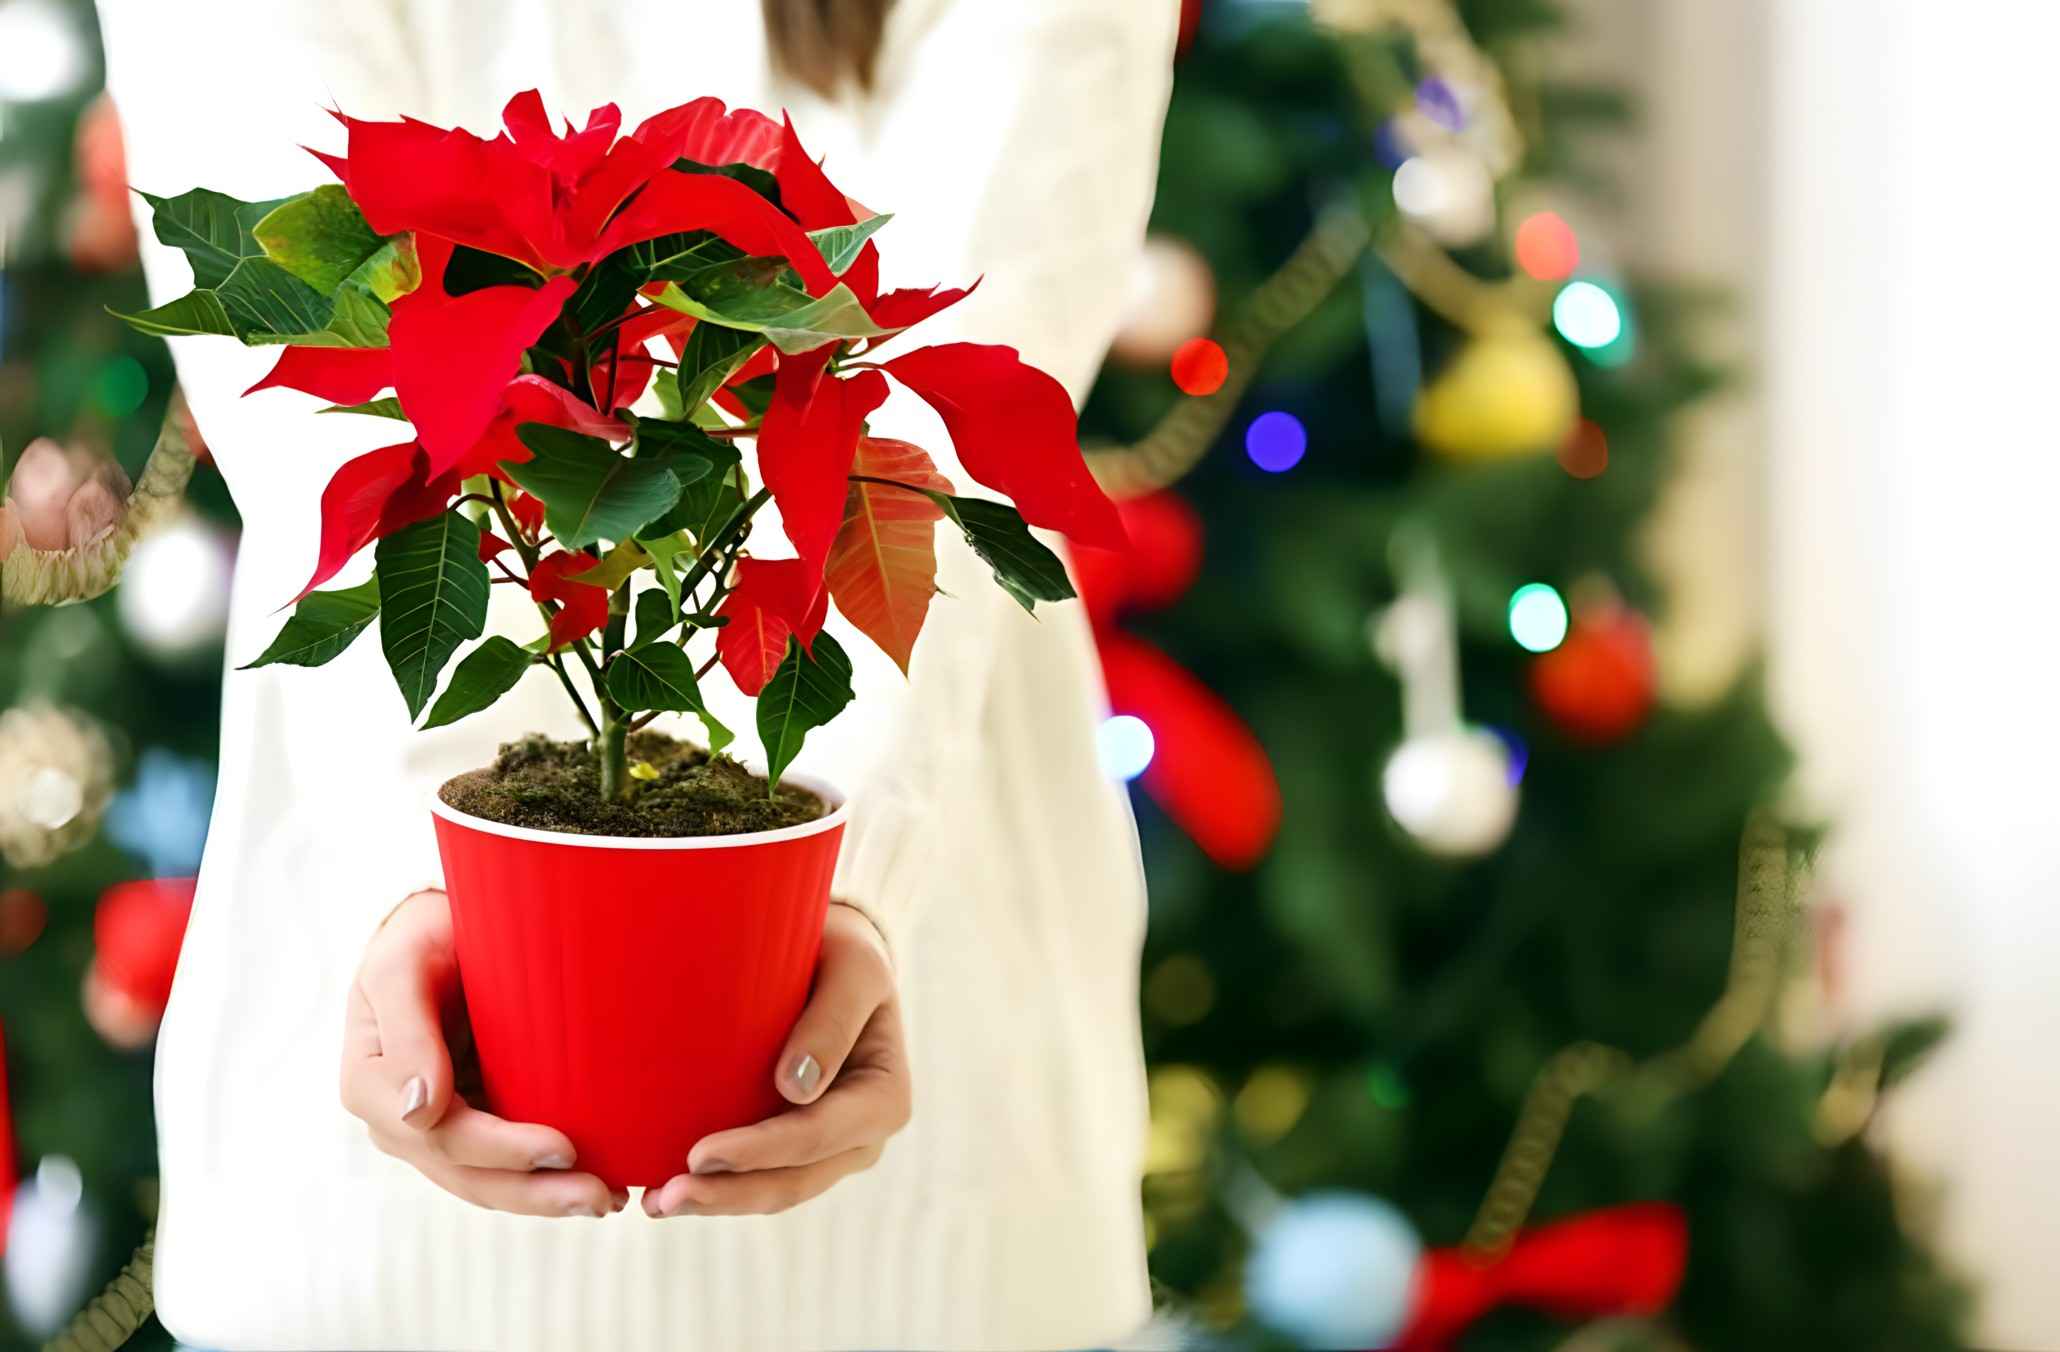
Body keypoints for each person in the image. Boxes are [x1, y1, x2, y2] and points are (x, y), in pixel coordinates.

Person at [80, 1, 1178, 1348]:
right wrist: (452, 878)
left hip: (936, 1113)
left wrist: (827, 875)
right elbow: (304, 328)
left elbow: (993, 278)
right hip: (388, 1143)